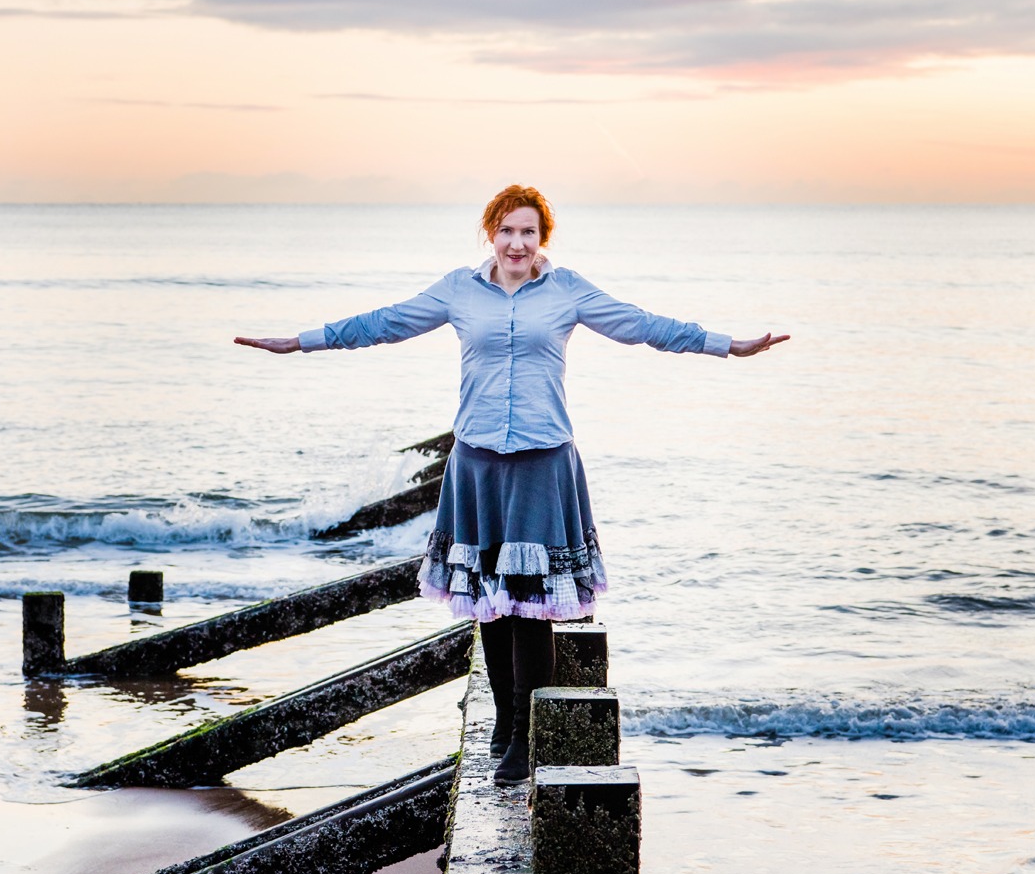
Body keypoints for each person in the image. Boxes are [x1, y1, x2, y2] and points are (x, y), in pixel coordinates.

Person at [236, 185, 788, 785]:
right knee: (488, 606)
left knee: (530, 605)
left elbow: (640, 326)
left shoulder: (568, 290)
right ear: (490, 234)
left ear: (541, 238)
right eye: (506, 231)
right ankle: (502, 721)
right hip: (476, 460)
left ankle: (525, 739)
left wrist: (725, 346)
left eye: (528, 232)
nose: (517, 243)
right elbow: (386, 324)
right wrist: (301, 341)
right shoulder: (458, 290)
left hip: (542, 460)